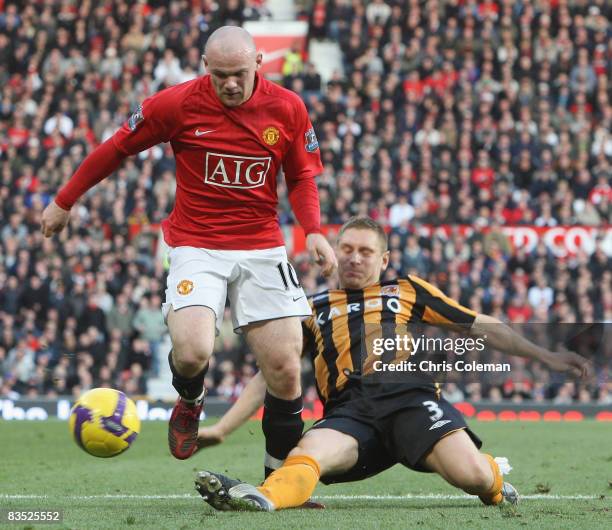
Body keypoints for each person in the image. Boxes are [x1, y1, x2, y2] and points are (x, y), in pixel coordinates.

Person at [40, 26, 337, 464]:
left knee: (286, 368)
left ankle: (280, 479)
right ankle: (190, 400)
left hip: (262, 246)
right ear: (205, 68)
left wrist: (312, 228)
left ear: (258, 63)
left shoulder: (288, 107)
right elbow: (118, 146)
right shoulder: (176, 104)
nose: (230, 84)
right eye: (220, 75)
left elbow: (300, 176)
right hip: (197, 245)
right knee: (194, 351)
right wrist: (65, 200)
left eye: (238, 73)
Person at [193, 216, 590, 512]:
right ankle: (263, 497)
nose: (354, 259)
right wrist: (223, 428)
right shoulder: (309, 308)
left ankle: (495, 481)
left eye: (365, 252)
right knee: (308, 453)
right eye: (346, 249)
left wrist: (546, 355)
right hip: (351, 413)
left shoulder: (407, 290)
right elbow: (273, 374)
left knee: (474, 478)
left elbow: (479, 325)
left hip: (411, 400)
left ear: (383, 259)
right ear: (334, 252)